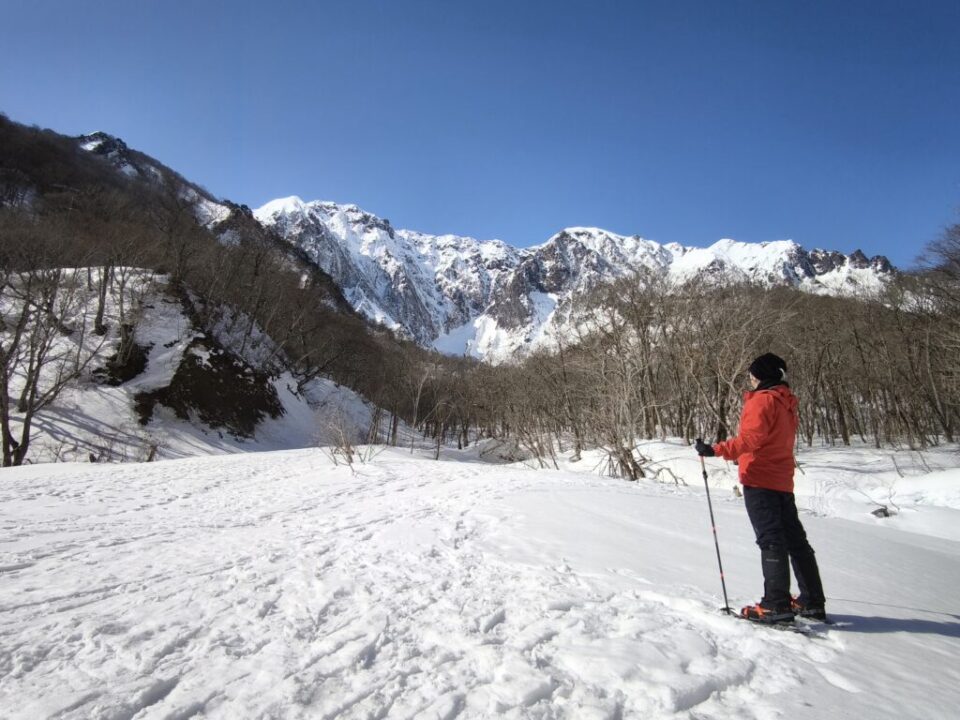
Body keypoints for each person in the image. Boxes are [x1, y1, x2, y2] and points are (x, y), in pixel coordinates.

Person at [695, 353, 826, 624]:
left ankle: (776, 605)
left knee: (771, 540)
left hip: (760, 478)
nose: (751, 380)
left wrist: (715, 449)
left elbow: (751, 439)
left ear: (762, 376)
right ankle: (811, 600)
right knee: (795, 541)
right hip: (781, 479)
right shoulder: (786, 401)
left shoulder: (763, 400)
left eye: (753, 375)